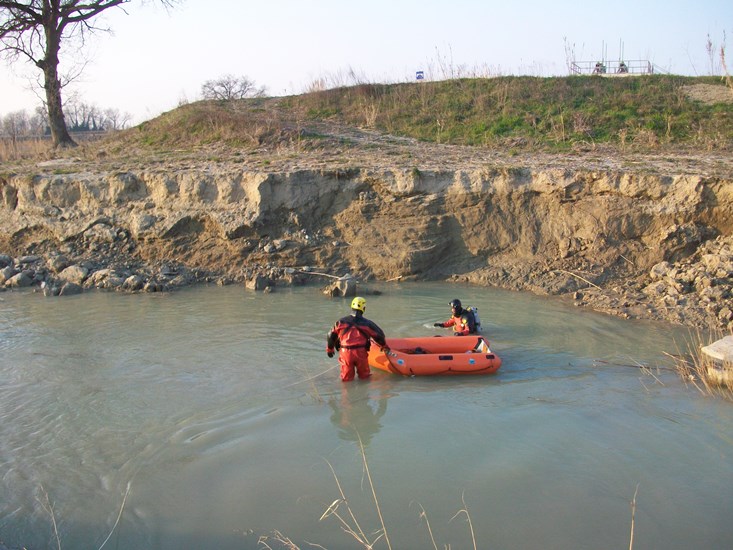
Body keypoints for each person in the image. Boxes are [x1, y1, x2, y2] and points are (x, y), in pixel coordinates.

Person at [326, 296, 387, 382]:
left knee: (346, 380)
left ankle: (347, 394)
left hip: (345, 353)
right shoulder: (368, 323)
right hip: (361, 352)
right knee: (365, 377)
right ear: (364, 308)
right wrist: (384, 346)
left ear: (351, 307)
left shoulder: (340, 322)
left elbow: (330, 335)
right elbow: (379, 336)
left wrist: (330, 349)